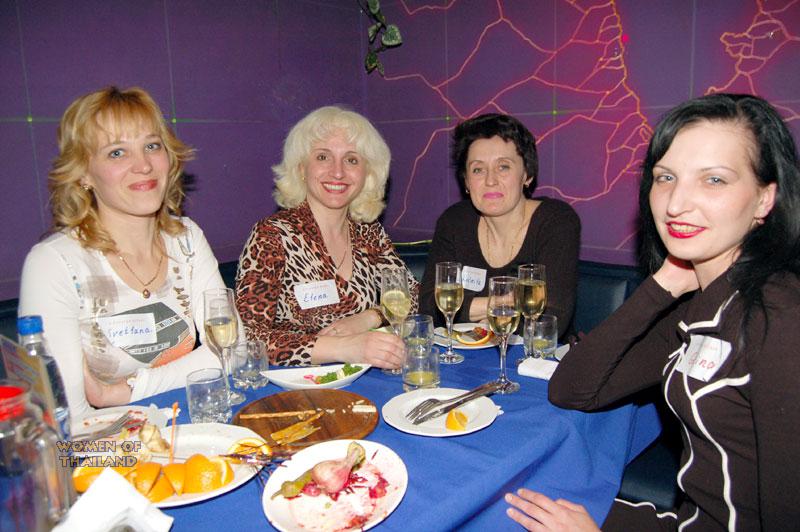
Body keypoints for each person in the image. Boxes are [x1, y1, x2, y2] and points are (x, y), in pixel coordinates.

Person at [506, 93, 800, 530]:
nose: (675, 203)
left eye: (713, 180)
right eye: (666, 177)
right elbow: (571, 390)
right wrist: (662, 284)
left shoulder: (780, 315)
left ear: (764, 200)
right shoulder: (698, 303)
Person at [18, 87, 226, 424]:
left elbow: (228, 351)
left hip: (193, 425)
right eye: (117, 153)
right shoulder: (54, 264)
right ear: (84, 173)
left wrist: (121, 392)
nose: (143, 165)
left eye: (152, 146)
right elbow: (68, 421)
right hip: (109, 446)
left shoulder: (186, 238)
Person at [236, 106, 417, 368]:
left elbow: (412, 295)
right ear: (301, 168)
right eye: (323, 157)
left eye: (352, 160)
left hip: (363, 375)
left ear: (368, 173)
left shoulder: (368, 231)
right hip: (297, 382)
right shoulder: (272, 235)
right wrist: (346, 348)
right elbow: (247, 338)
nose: (338, 172)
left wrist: (370, 317)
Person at [419, 113, 580, 337]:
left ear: (527, 175)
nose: (490, 180)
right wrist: (501, 304)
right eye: (478, 169)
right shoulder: (454, 222)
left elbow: (551, 319)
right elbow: (430, 307)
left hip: (539, 355)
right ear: (466, 181)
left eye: (503, 167)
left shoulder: (556, 221)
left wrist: (468, 311)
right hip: (465, 353)